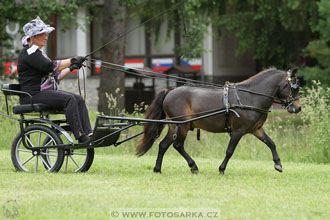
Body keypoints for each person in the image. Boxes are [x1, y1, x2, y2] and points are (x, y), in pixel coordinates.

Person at [18, 16, 92, 144]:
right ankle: (79, 135)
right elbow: (49, 66)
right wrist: (72, 60)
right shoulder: (29, 53)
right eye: (42, 34)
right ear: (33, 37)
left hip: (43, 93)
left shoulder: (39, 53)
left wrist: (72, 67)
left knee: (78, 99)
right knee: (69, 99)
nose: (46, 37)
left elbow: (55, 75)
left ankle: (89, 134)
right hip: (33, 95)